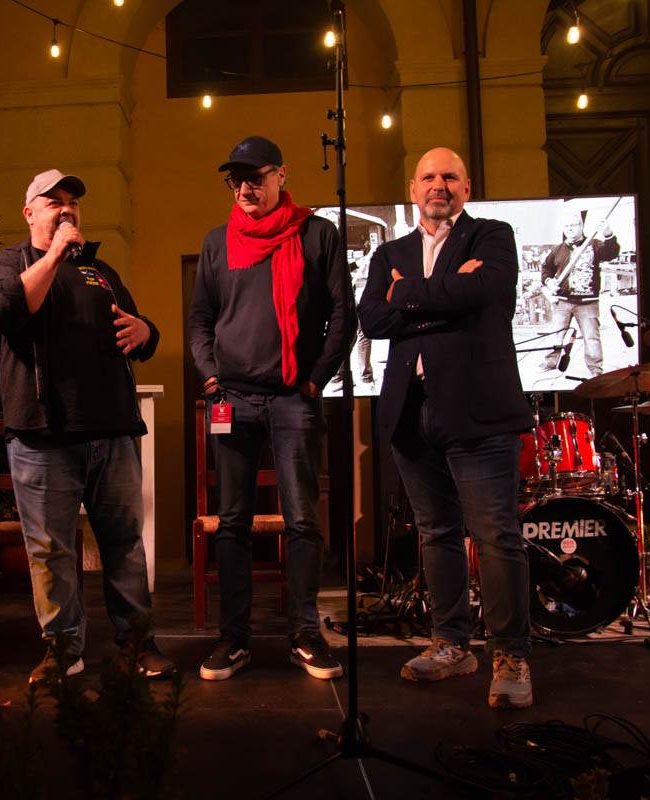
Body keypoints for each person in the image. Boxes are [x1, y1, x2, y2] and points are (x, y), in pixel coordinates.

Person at [0, 169, 174, 684]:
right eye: (54, 202)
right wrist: (54, 256)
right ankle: (63, 651)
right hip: (43, 436)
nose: (67, 209)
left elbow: (139, 333)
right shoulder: (11, 264)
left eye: (73, 203)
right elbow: (2, 310)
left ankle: (137, 644)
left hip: (112, 432)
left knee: (125, 544)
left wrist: (147, 331)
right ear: (30, 213)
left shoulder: (100, 271)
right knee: (51, 551)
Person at [357, 148, 536, 709]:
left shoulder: (492, 236)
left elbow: (485, 294)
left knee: (496, 535)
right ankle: (452, 644)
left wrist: (406, 295)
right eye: (429, 177)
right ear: (413, 189)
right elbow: (372, 318)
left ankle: (510, 655)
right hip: (411, 411)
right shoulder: (389, 252)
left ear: (466, 187)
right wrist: (445, 295)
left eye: (450, 177)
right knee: (436, 533)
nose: (439, 184)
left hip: (479, 409)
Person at [189, 136, 353, 681]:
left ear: (282, 175)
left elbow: (342, 315)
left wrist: (315, 379)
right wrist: (211, 377)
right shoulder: (217, 243)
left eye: (255, 177)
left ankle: (304, 634)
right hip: (232, 396)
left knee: (303, 519)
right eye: (235, 179)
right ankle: (233, 638)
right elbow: (200, 320)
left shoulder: (317, 234)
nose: (244, 188)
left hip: (292, 398)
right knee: (232, 521)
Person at [540, 210, 620, 376]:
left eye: (573, 225)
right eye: (566, 226)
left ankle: (595, 369)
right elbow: (546, 269)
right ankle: (550, 362)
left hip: (588, 302)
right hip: (562, 301)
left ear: (581, 226)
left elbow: (612, 253)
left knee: (591, 338)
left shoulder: (594, 245)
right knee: (556, 334)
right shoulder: (558, 250)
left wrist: (608, 234)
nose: (569, 229)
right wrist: (549, 281)